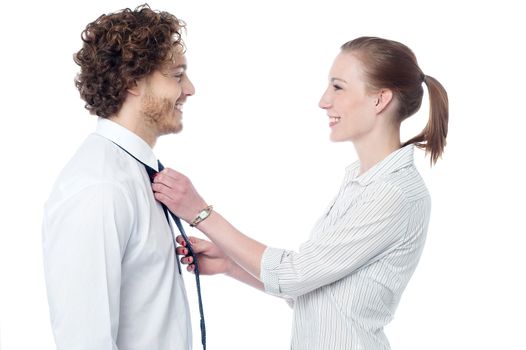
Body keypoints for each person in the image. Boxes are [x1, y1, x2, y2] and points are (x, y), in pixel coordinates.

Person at [152, 36, 448, 349]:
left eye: (338, 86)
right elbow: (312, 291)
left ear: (380, 99)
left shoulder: (393, 193)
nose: (324, 101)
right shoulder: (361, 183)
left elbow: (294, 274)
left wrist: (201, 213)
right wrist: (230, 265)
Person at [42, 4, 195, 349]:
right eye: (176, 75)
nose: (190, 89)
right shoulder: (100, 188)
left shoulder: (135, 173)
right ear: (132, 82)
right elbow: (85, 342)